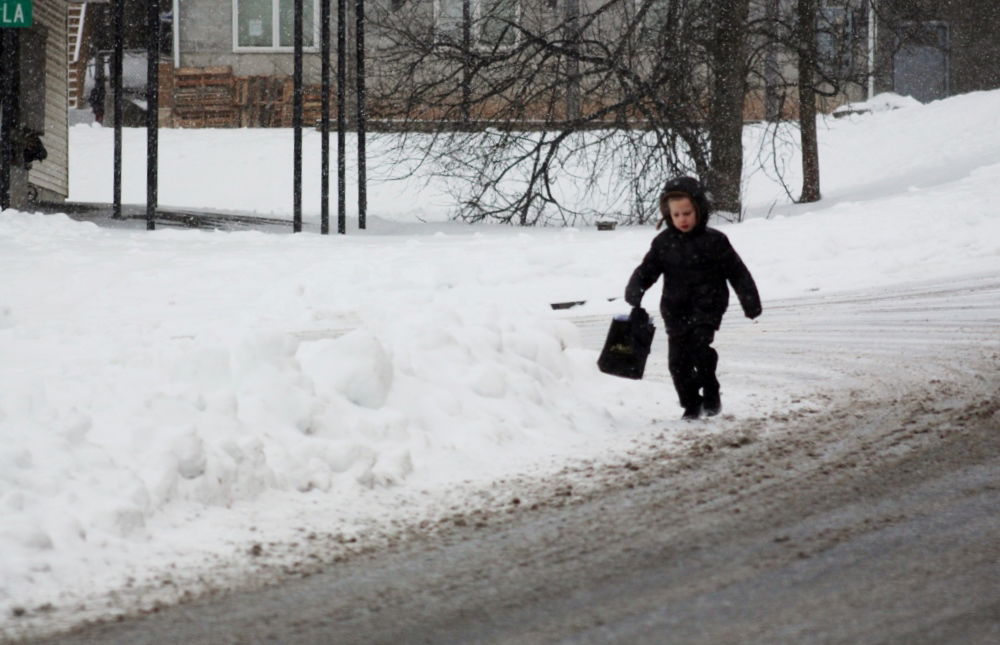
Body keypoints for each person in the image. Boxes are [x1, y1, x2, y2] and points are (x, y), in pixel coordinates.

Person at [624, 176, 761, 420]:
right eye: (675, 215)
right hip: (675, 308)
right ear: (668, 215)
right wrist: (636, 288)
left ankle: (710, 389)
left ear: (698, 209)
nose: (682, 219)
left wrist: (750, 300)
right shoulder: (664, 243)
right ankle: (691, 403)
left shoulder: (715, 241)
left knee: (699, 348)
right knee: (677, 363)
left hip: (709, 305)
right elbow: (648, 269)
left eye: (687, 213)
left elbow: (737, 271)